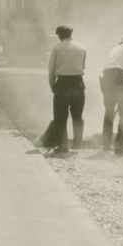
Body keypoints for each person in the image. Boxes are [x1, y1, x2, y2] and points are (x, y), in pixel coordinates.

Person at [47, 25, 88, 154]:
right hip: (78, 82)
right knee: (77, 115)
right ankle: (77, 144)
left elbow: (51, 69)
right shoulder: (82, 47)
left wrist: (52, 86)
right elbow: (83, 66)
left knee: (60, 116)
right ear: (70, 34)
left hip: (63, 83)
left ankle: (63, 145)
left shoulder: (56, 48)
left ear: (59, 35)